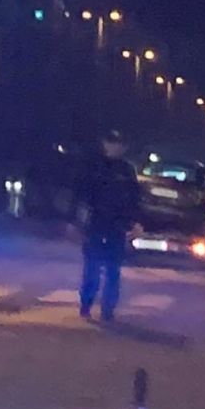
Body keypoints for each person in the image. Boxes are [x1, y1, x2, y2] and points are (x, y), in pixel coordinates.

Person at [76, 129, 141, 322]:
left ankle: (108, 309)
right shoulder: (94, 166)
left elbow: (134, 199)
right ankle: (86, 304)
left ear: (123, 147)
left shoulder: (127, 170)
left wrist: (135, 222)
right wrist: (78, 221)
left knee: (113, 270)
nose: (114, 147)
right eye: (111, 142)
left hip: (117, 227)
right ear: (105, 144)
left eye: (118, 144)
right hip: (95, 224)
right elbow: (83, 195)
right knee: (92, 267)